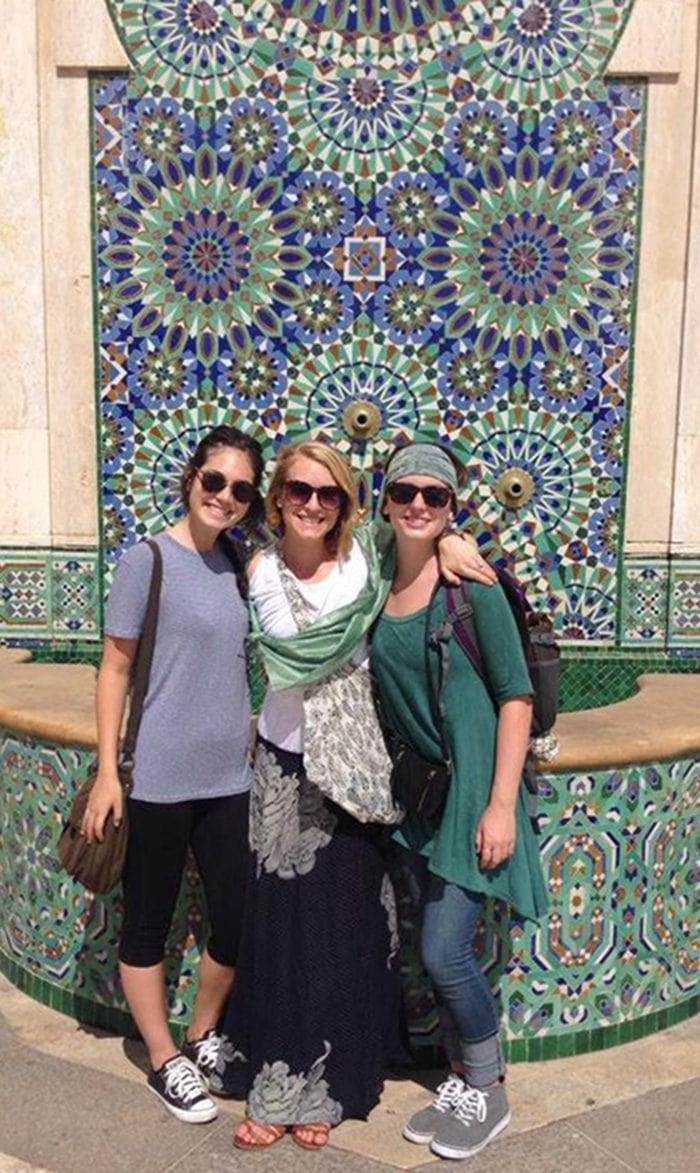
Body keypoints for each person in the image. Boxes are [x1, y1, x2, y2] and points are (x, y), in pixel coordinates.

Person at [213, 440, 495, 1151]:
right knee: (281, 935)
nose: (313, 504)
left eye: (329, 493)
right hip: (284, 770)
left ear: (346, 502)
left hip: (358, 776)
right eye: (300, 491)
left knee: (346, 934)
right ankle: (277, 1086)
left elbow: (422, 533)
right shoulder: (259, 570)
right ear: (277, 498)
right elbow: (289, 660)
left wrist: (454, 542)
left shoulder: (369, 556)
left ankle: (333, 1087)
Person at [81, 425, 265, 1125]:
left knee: (238, 918)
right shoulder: (147, 560)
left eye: (241, 488)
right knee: (148, 924)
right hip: (155, 777)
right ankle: (164, 1060)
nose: (225, 496)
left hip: (227, 778)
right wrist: (108, 770)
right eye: (215, 480)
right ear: (191, 478)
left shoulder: (237, 561)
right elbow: (116, 668)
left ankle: (200, 1033)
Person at [370, 442, 548, 1161]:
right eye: (405, 491)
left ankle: (489, 1085)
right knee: (431, 946)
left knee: (446, 952)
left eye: (435, 496)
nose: (418, 504)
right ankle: (458, 1077)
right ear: (384, 500)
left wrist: (502, 803)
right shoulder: (375, 579)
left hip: (473, 795)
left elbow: (516, 696)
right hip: (419, 797)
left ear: (452, 506)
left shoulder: (470, 587)